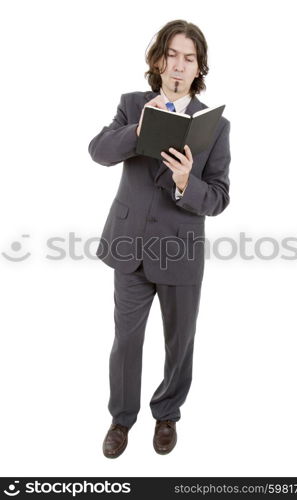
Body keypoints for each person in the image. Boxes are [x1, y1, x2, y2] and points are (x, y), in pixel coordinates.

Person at [88, 19, 231, 458]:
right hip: (130, 246)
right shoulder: (133, 105)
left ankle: (167, 413)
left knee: (179, 341)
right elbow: (98, 151)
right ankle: (121, 419)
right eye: (172, 55)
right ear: (158, 60)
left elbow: (220, 197)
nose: (179, 65)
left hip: (180, 249)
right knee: (126, 341)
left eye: (189, 58)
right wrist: (138, 132)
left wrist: (188, 181)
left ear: (199, 67)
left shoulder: (215, 126)